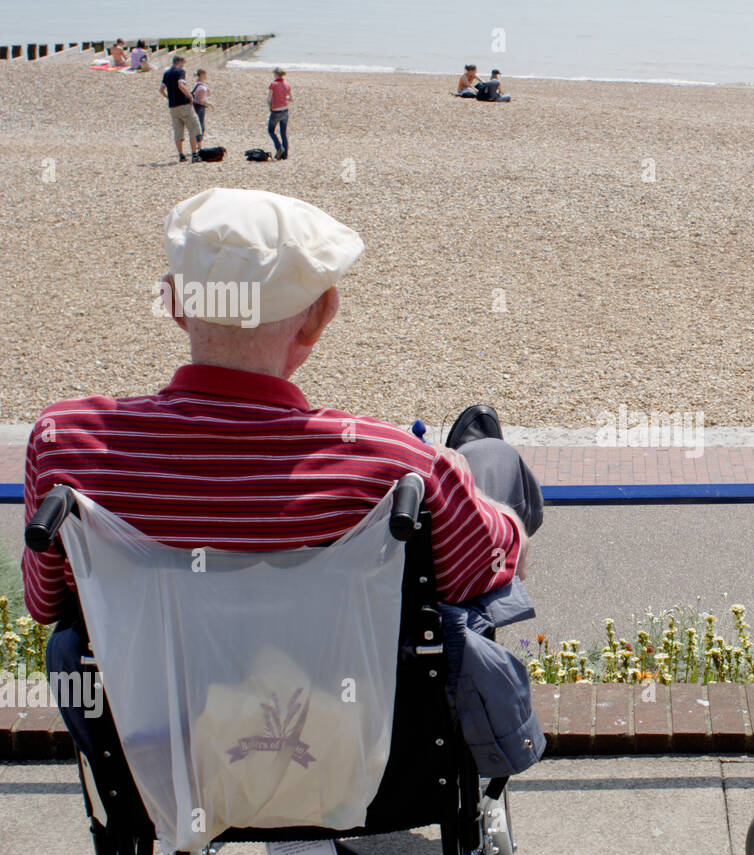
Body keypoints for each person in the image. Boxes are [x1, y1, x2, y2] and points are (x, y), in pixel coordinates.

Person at [24, 187, 542, 757]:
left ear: (174, 304)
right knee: (492, 465)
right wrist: (485, 506)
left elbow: (46, 601)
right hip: (354, 746)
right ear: (321, 314)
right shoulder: (394, 466)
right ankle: (481, 465)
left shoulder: (65, 444)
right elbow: (485, 572)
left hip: (166, 748)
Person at [160, 54, 202, 163]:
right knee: (192, 128)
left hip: (173, 106)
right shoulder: (180, 72)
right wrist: (190, 96)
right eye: (183, 63)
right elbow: (180, 85)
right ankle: (194, 154)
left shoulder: (167, 73)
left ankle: (181, 155)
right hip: (184, 104)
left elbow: (161, 89)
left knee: (178, 131)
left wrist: (168, 97)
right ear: (180, 62)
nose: (183, 66)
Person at [267, 67, 292, 160]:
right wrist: (283, 98)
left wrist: (270, 106)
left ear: (276, 74)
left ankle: (279, 147)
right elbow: (291, 98)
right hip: (285, 111)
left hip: (276, 111)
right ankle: (285, 155)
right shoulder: (287, 84)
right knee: (283, 133)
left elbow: (269, 98)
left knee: (271, 130)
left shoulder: (273, 84)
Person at [192, 69, 210, 137]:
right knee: (200, 125)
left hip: (198, 106)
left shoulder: (199, 84)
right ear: (202, 74)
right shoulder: (200, 86)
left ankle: (198, 143)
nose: (206, 76)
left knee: (199, 124)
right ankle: (198, 143)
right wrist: (208, 104)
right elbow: (200, 100)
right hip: (199, 106)